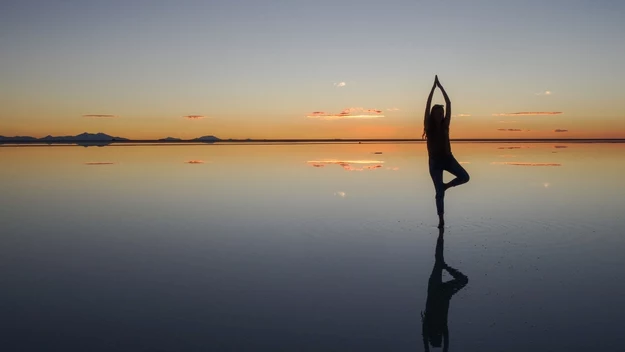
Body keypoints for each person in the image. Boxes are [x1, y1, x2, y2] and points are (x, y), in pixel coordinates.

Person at [422, 75, 470, 228]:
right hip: (435, 163)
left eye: (442, 113)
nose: (441, 115)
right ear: (433, 114)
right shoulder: (428, 126)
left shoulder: (445, 125)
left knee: (465, 177)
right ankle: (441, 220)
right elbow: (427, 104)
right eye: (438, 112)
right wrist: (432, 88)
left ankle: (446, 186)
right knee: (439, 194)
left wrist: (440, 87)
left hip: (448, 159)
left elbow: (449, 103)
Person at [421, 227, 469, 352]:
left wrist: (443, 350)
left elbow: (429, 341)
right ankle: (444, 264)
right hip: (444, 294)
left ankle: (441, 237)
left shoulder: (431, 326)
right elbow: (437, 340)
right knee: (464, 279)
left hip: (436, 291)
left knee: (439, 261)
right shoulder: (441, 327)